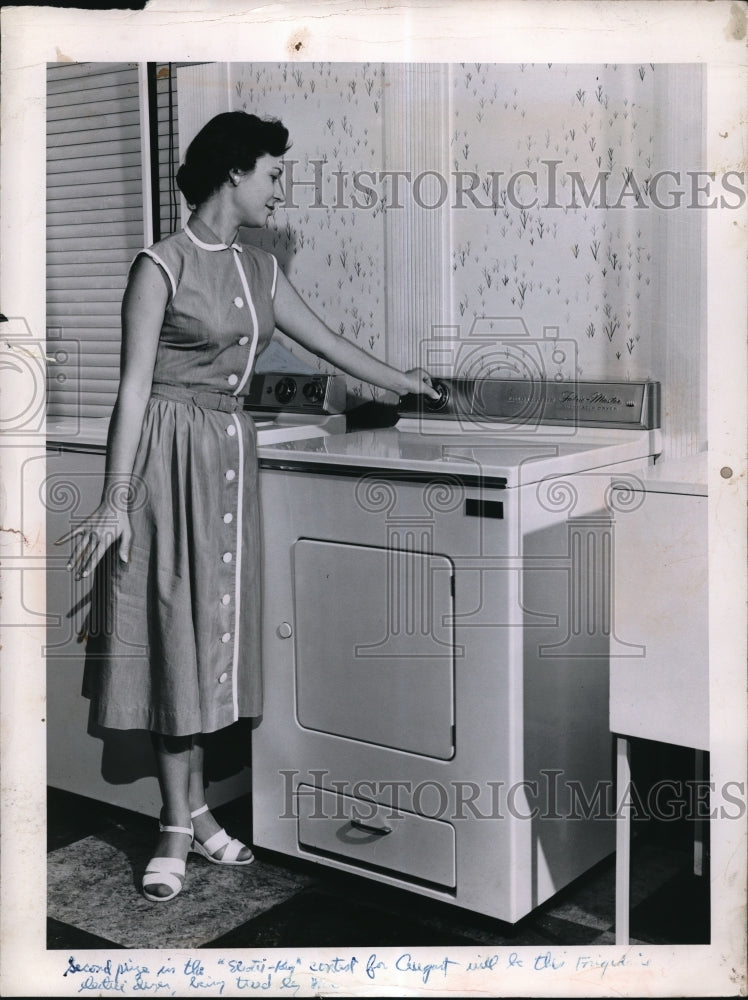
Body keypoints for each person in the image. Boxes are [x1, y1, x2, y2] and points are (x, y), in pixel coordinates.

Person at [58, 110, 438, 903]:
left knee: (212, 640)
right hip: (165, 460)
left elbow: (328, 340)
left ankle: (195, 810)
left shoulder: (258, 269)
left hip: (230, 463)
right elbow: (130, 392)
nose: (281, 188)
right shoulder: (159, 265)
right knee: (172, 637)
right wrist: (114, 502)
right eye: (273, 172)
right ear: (234, 172)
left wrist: (407, 382)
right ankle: (174, 819)